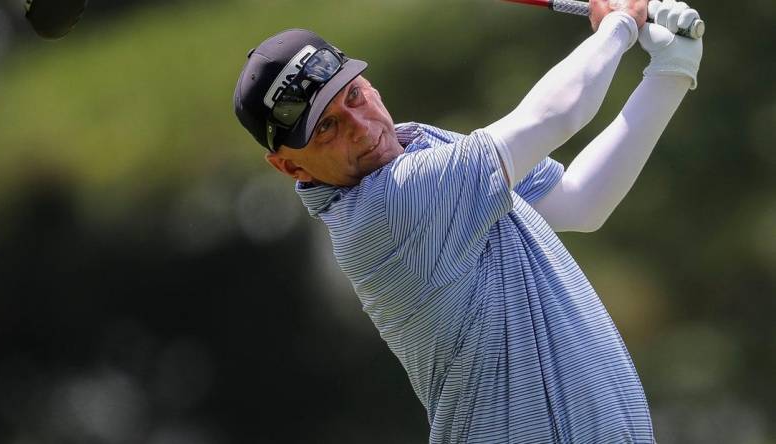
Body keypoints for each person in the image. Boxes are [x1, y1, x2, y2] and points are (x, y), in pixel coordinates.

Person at [233, 0, 703, 441]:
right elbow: (554, 116)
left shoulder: (425, 147)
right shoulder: (385, 210)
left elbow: (579, 202)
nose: (360, 125)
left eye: (353, 95)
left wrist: (669, 72)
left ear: (369, 84)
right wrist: (618, 24)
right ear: (291, 167)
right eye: (327, 128)